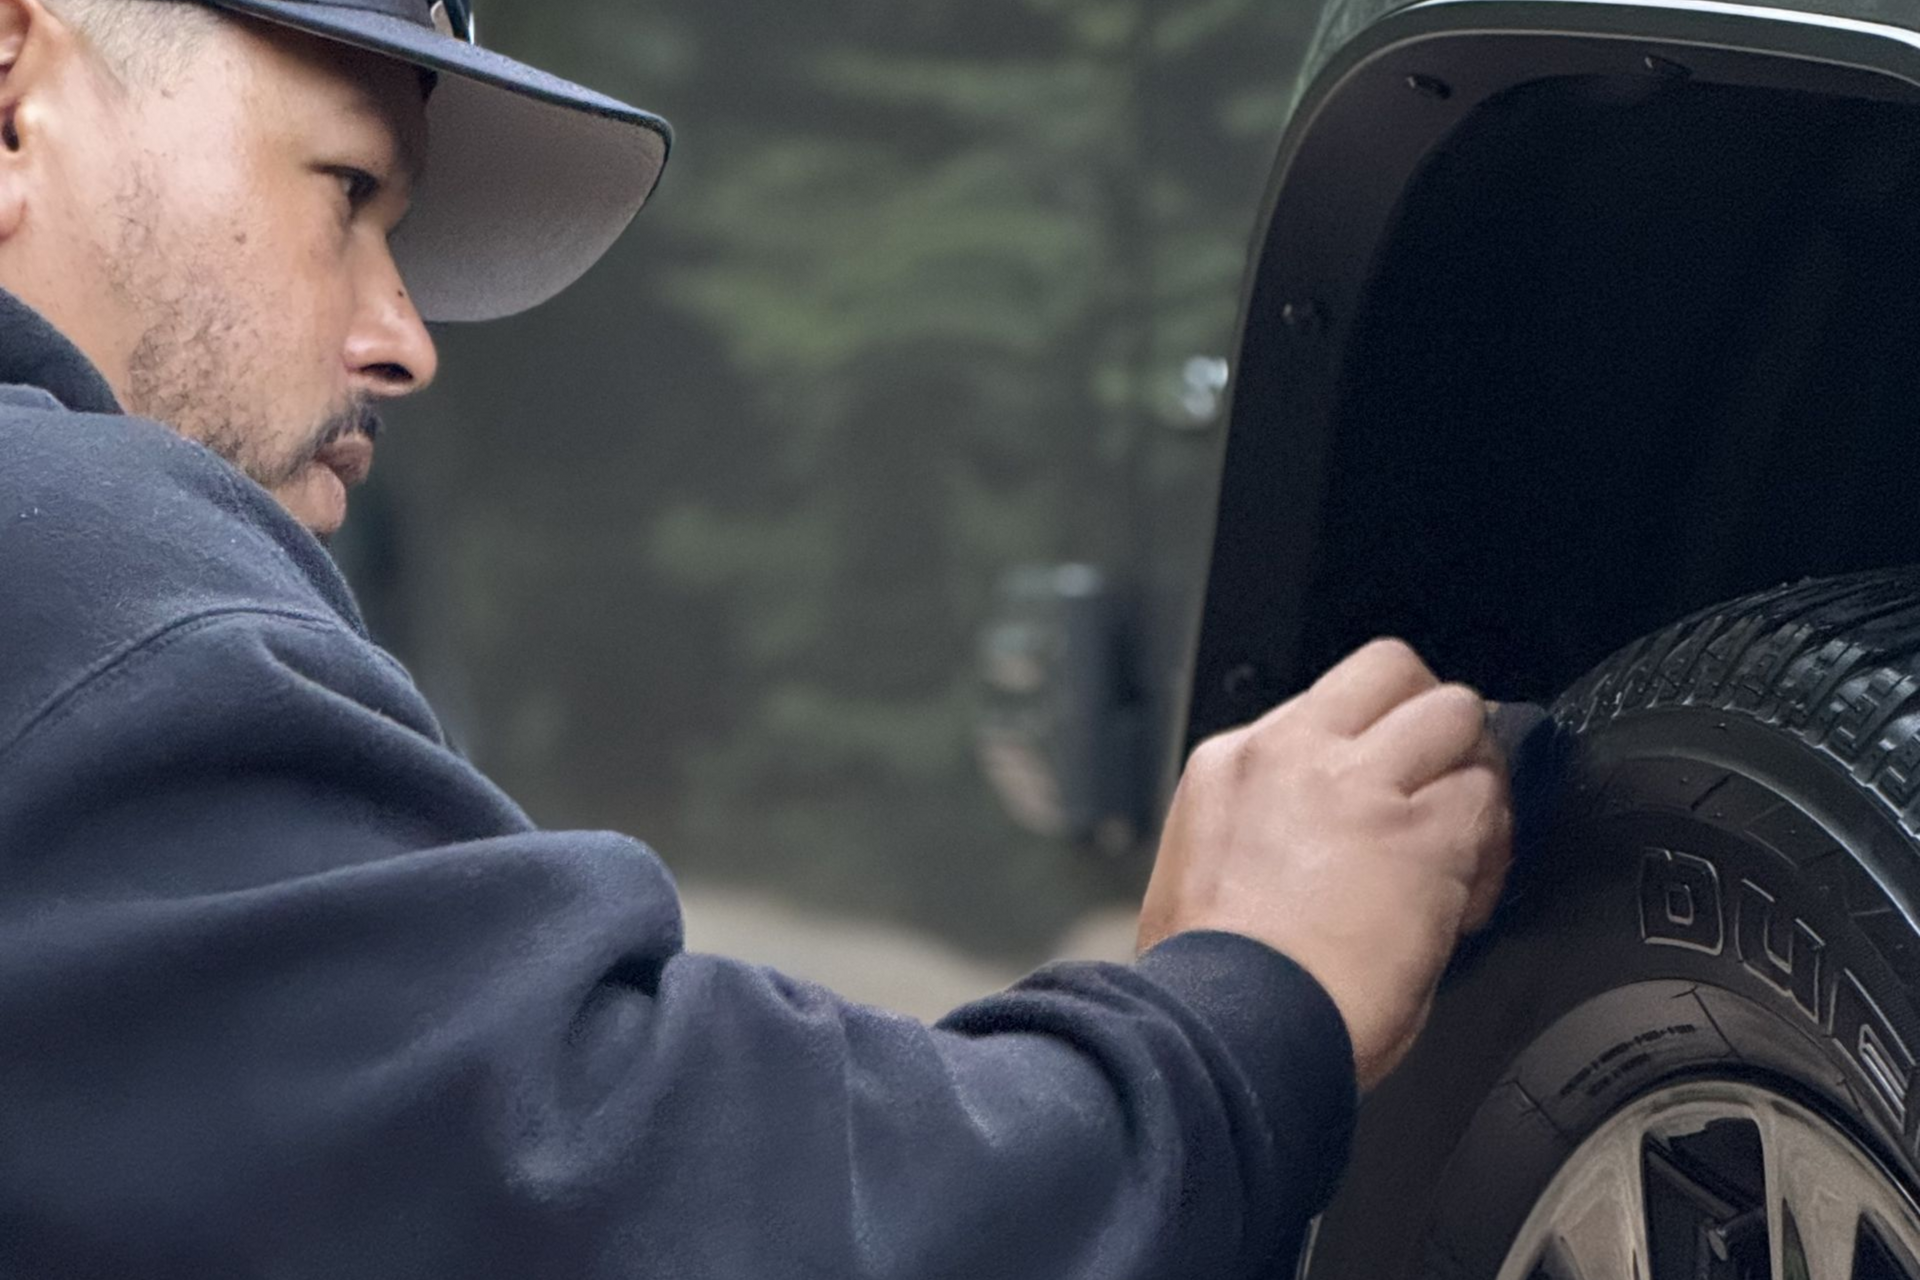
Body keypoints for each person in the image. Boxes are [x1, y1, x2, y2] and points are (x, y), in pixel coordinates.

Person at [0, 0, 1515, 1274]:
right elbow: (621, 1188)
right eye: (345, 190)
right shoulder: (55, 542)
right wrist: (1243, 1010)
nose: (403, 340)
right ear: (15, 92)